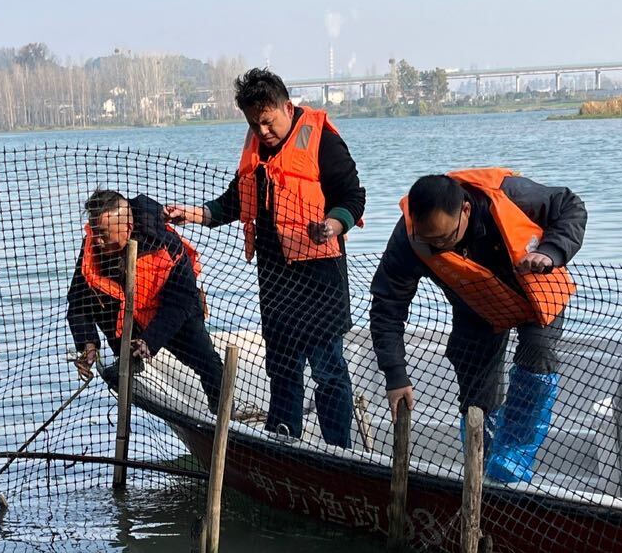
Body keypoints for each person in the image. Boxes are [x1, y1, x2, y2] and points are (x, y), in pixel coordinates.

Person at [165, 68, 365, 447]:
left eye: (268, 122)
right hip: (275, 278)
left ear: (286, 107)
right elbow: (237, 202)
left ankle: (340, 449)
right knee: (283, 367)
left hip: (321, 276)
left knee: (328, 369)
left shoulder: (322, 140)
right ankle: (282, 443)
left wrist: (334, 226)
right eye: (254, 124)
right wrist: (192, 213)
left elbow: (353, 198)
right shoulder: (256, 151)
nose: (262, 132)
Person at [370, 168, 587, 483]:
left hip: (536, 289)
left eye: (445, 238)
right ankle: (481, 470)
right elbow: (387, 307)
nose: (438, 248)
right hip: (477, 306)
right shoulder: (408, 238)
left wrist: (550, 251)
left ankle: (511, 465)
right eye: (428, 240)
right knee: (476, 392)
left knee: (537, 357)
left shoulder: (509, 195)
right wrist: (395, 375)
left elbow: (571, 205)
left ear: (466, 212)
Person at [67, 189, 224, 413]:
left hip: (170, 312)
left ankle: (222, 416)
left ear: (127, 228)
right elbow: (78, 299)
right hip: (127, 310)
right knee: (92, 300)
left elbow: (182, 302)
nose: (98, 241)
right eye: (95, 231)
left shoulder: (165, 245)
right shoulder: (93, 244)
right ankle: (127, 357)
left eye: (103, 233)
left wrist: (149, 341)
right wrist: (87, 344)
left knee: (209, 363)